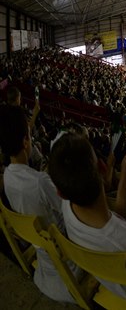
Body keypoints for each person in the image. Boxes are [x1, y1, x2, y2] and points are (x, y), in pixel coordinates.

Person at [48, 133, 126, 300]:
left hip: (111, 280)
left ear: (61, 193)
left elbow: (114, 225)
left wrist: (124, 182)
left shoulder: (67, 206)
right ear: (103, 168)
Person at [0, 106, 78, 303]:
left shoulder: (7, 177)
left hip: (42, 252)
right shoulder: (39, 181)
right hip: (66, 254)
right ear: (26, 141)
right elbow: (69, 209)